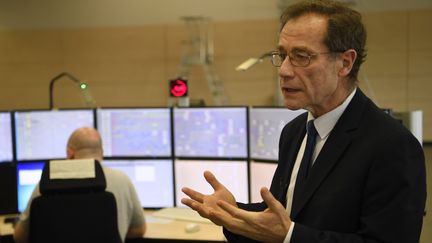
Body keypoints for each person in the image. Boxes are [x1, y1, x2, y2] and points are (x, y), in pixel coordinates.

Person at [181, 0, 427, 242]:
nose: (284, 70)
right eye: (282, 55)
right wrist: (233, 211)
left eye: (301, 56)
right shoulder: (294, 131)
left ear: (345, 63)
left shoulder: (392, 145)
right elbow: (283, 215)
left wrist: (290, 236)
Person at [14, 127, 146, 243]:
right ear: (101, 152)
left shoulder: (48, 184)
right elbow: (139, 229)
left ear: (69, 152)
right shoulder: (122, 180)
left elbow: (20, 237)